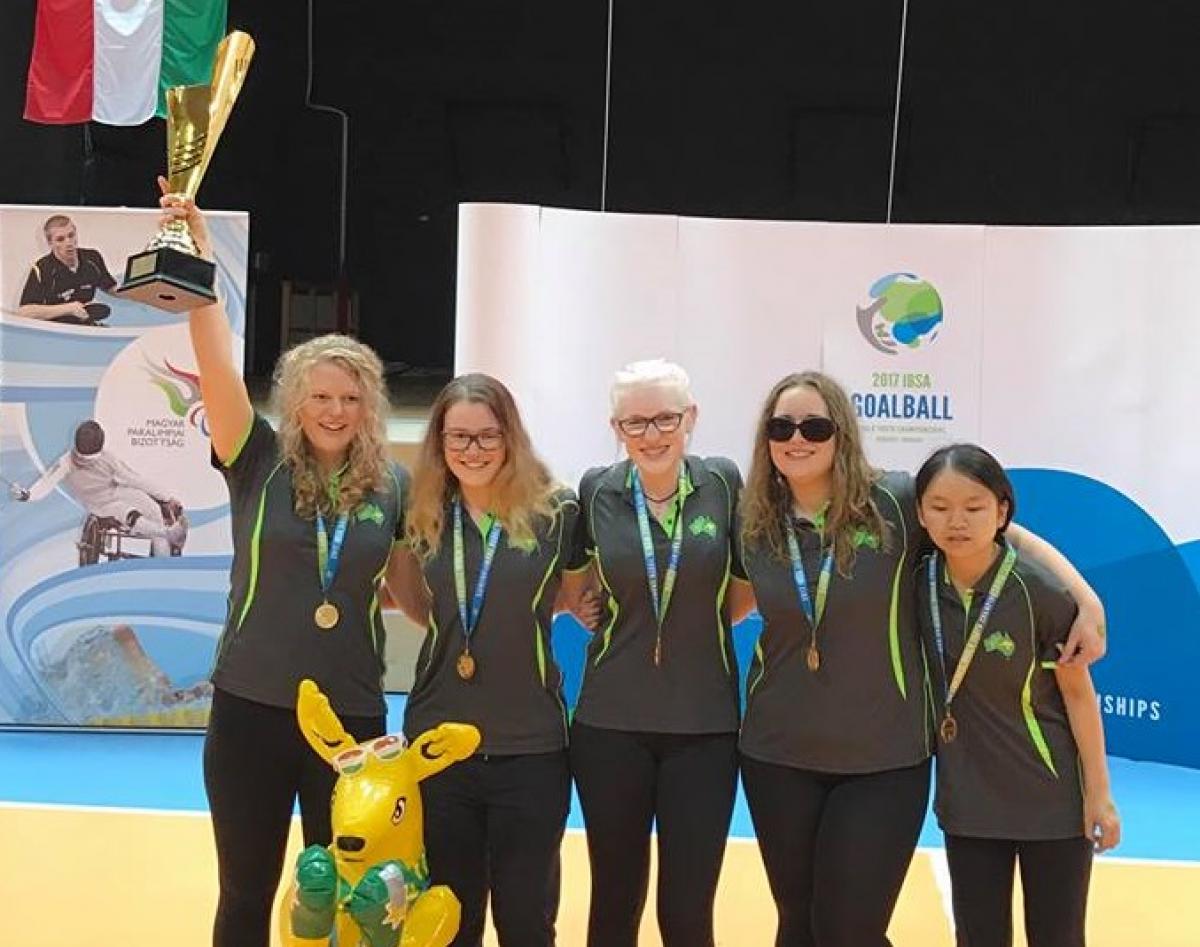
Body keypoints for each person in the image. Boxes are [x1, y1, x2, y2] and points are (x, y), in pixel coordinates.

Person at [732, 371, 1108, 947]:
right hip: (777, 753)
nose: (797, 438)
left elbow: (999, 532)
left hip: (884, 759)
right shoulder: (752, 519)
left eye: (815, 425)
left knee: (848, 929)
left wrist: (1085, 597)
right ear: (766, 436)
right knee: (798, 924)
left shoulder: (895, 502)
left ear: (841, 433)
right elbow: (728, 601)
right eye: (782, 426)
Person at [160, 184, 410, 947]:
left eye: (350, 398)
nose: (335, 410)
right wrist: (194, 246)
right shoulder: (254, 456)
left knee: (338, 892)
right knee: (246, 892)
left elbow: (409, 595)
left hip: (351, 723)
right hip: (250, 711)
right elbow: (212, 356)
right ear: (295, 400)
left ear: (368, 406)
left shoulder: (392, 486)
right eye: (321, 395)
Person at [389, 372, 593, 947]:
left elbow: (579, 598)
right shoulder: (420, 510)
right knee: (451, 920)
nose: (472, 450)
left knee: (527, 920)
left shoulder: (558, 512)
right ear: (439, 442)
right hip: (438, 744)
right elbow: (412, 602)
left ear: (510, 438)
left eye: (487, 436)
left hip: (530, 746)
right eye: (458, 438)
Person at [568, 358, 751, 947]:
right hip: (609, 726)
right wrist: (586, 608)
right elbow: (574, 582)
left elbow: (743, 591)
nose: (651, 435)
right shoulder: (596, 489)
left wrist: (686, 624)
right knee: (614, 904)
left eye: (665, 418)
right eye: (635, 422)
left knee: (687, 912)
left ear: (690, 417)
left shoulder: (723, 483)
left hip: (705, 728)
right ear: (616, 428)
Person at [914, 443, 1119, 947]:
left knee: (1058, 936)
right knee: (978, 936)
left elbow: (1077, 695)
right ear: (919, 513)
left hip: (1051, 804)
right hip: (967, 804)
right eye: (939, 508)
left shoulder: (1040, 592)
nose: (956, 521)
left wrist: (1099, 796)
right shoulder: (917, 583)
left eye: (975, 507)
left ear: (1002, 511)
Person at [8, 419, 187, 557]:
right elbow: (46, 482)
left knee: (152, 508)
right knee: (126, 511)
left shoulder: (108, 459)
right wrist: (27, 495)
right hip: (99, 504)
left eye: (89, 458)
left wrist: (166, 497)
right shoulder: (66, 462)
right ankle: (168, 534)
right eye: (82, 456)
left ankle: (163, 561)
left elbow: (134, 479)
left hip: (116, 492)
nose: (84, 461)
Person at [17, 214, 117, 324]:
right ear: (50, 243)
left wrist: (136, 292)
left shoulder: (92, 258)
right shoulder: (42, 268)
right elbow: (24, 312)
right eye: (60, 239)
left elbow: (112, 288)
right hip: (57, 331)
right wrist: (68, 309)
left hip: (87, 326)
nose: (68, 243)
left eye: (71, 235)